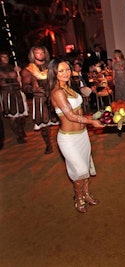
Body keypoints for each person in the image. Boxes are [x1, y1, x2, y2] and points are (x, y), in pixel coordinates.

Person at [48, 58, 104, 213]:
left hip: (82, 135)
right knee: (79, 170)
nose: (65, 73)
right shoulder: (57, 92)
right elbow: (71, 116)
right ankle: (78, 197)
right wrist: (91, 121)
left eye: (67, 69)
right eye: (60, 70)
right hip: (68, 138)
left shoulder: (70, 87)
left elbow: (79, 110)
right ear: (54, 73)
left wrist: (92, 117)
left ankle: (86, 194)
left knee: (85, 167)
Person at [21, 46, 58, 154]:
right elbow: (24, 86)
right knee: (44, 125)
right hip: (40, 98)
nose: (40, 55)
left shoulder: (51, 66)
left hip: (54, 96)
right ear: (33, 54)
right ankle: (48, 145)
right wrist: (33, 89)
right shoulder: (29, 69)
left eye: (42, 52)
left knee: (62, 119)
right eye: (37, 53)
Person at [0, 51, 28, 144]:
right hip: (7, 93)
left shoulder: (14, 67)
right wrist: (12, 78)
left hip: (17, 92)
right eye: (3, 57)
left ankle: (21, 130)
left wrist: (19, 75)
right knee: (13, 116)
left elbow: (23, 80)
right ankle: (18, 135)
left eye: (6, 56)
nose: (5, 58)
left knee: (22, 115)